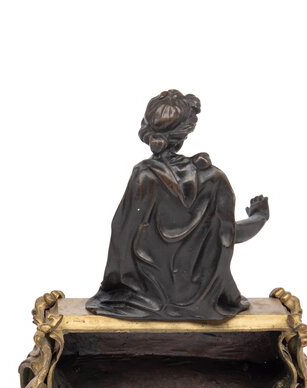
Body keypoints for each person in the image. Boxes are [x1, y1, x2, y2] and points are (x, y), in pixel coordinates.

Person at [86, 90, 269, 321]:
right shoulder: (214, 178)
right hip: (206, 302)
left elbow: (122, 239)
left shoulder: (144, 176)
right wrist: (259, 216)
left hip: (148, 300)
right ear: (186, 132)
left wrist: (110, 289)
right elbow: (229, 236)